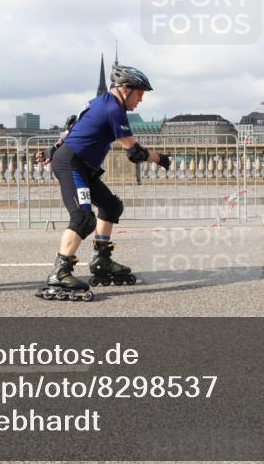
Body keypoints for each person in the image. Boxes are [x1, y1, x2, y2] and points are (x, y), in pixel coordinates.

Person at [35, 64, 171, 301]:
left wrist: (52, 149)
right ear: (125, 89)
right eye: (140, 93)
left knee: (111, 206)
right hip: (71, 164)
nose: (141, 99)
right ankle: (60, 273)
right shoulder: (113, 108)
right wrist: (160, 159)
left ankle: (102, 260)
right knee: (83, 217)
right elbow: (135, 153)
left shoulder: (99, 102)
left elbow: (72, 126)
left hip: (82, 165)